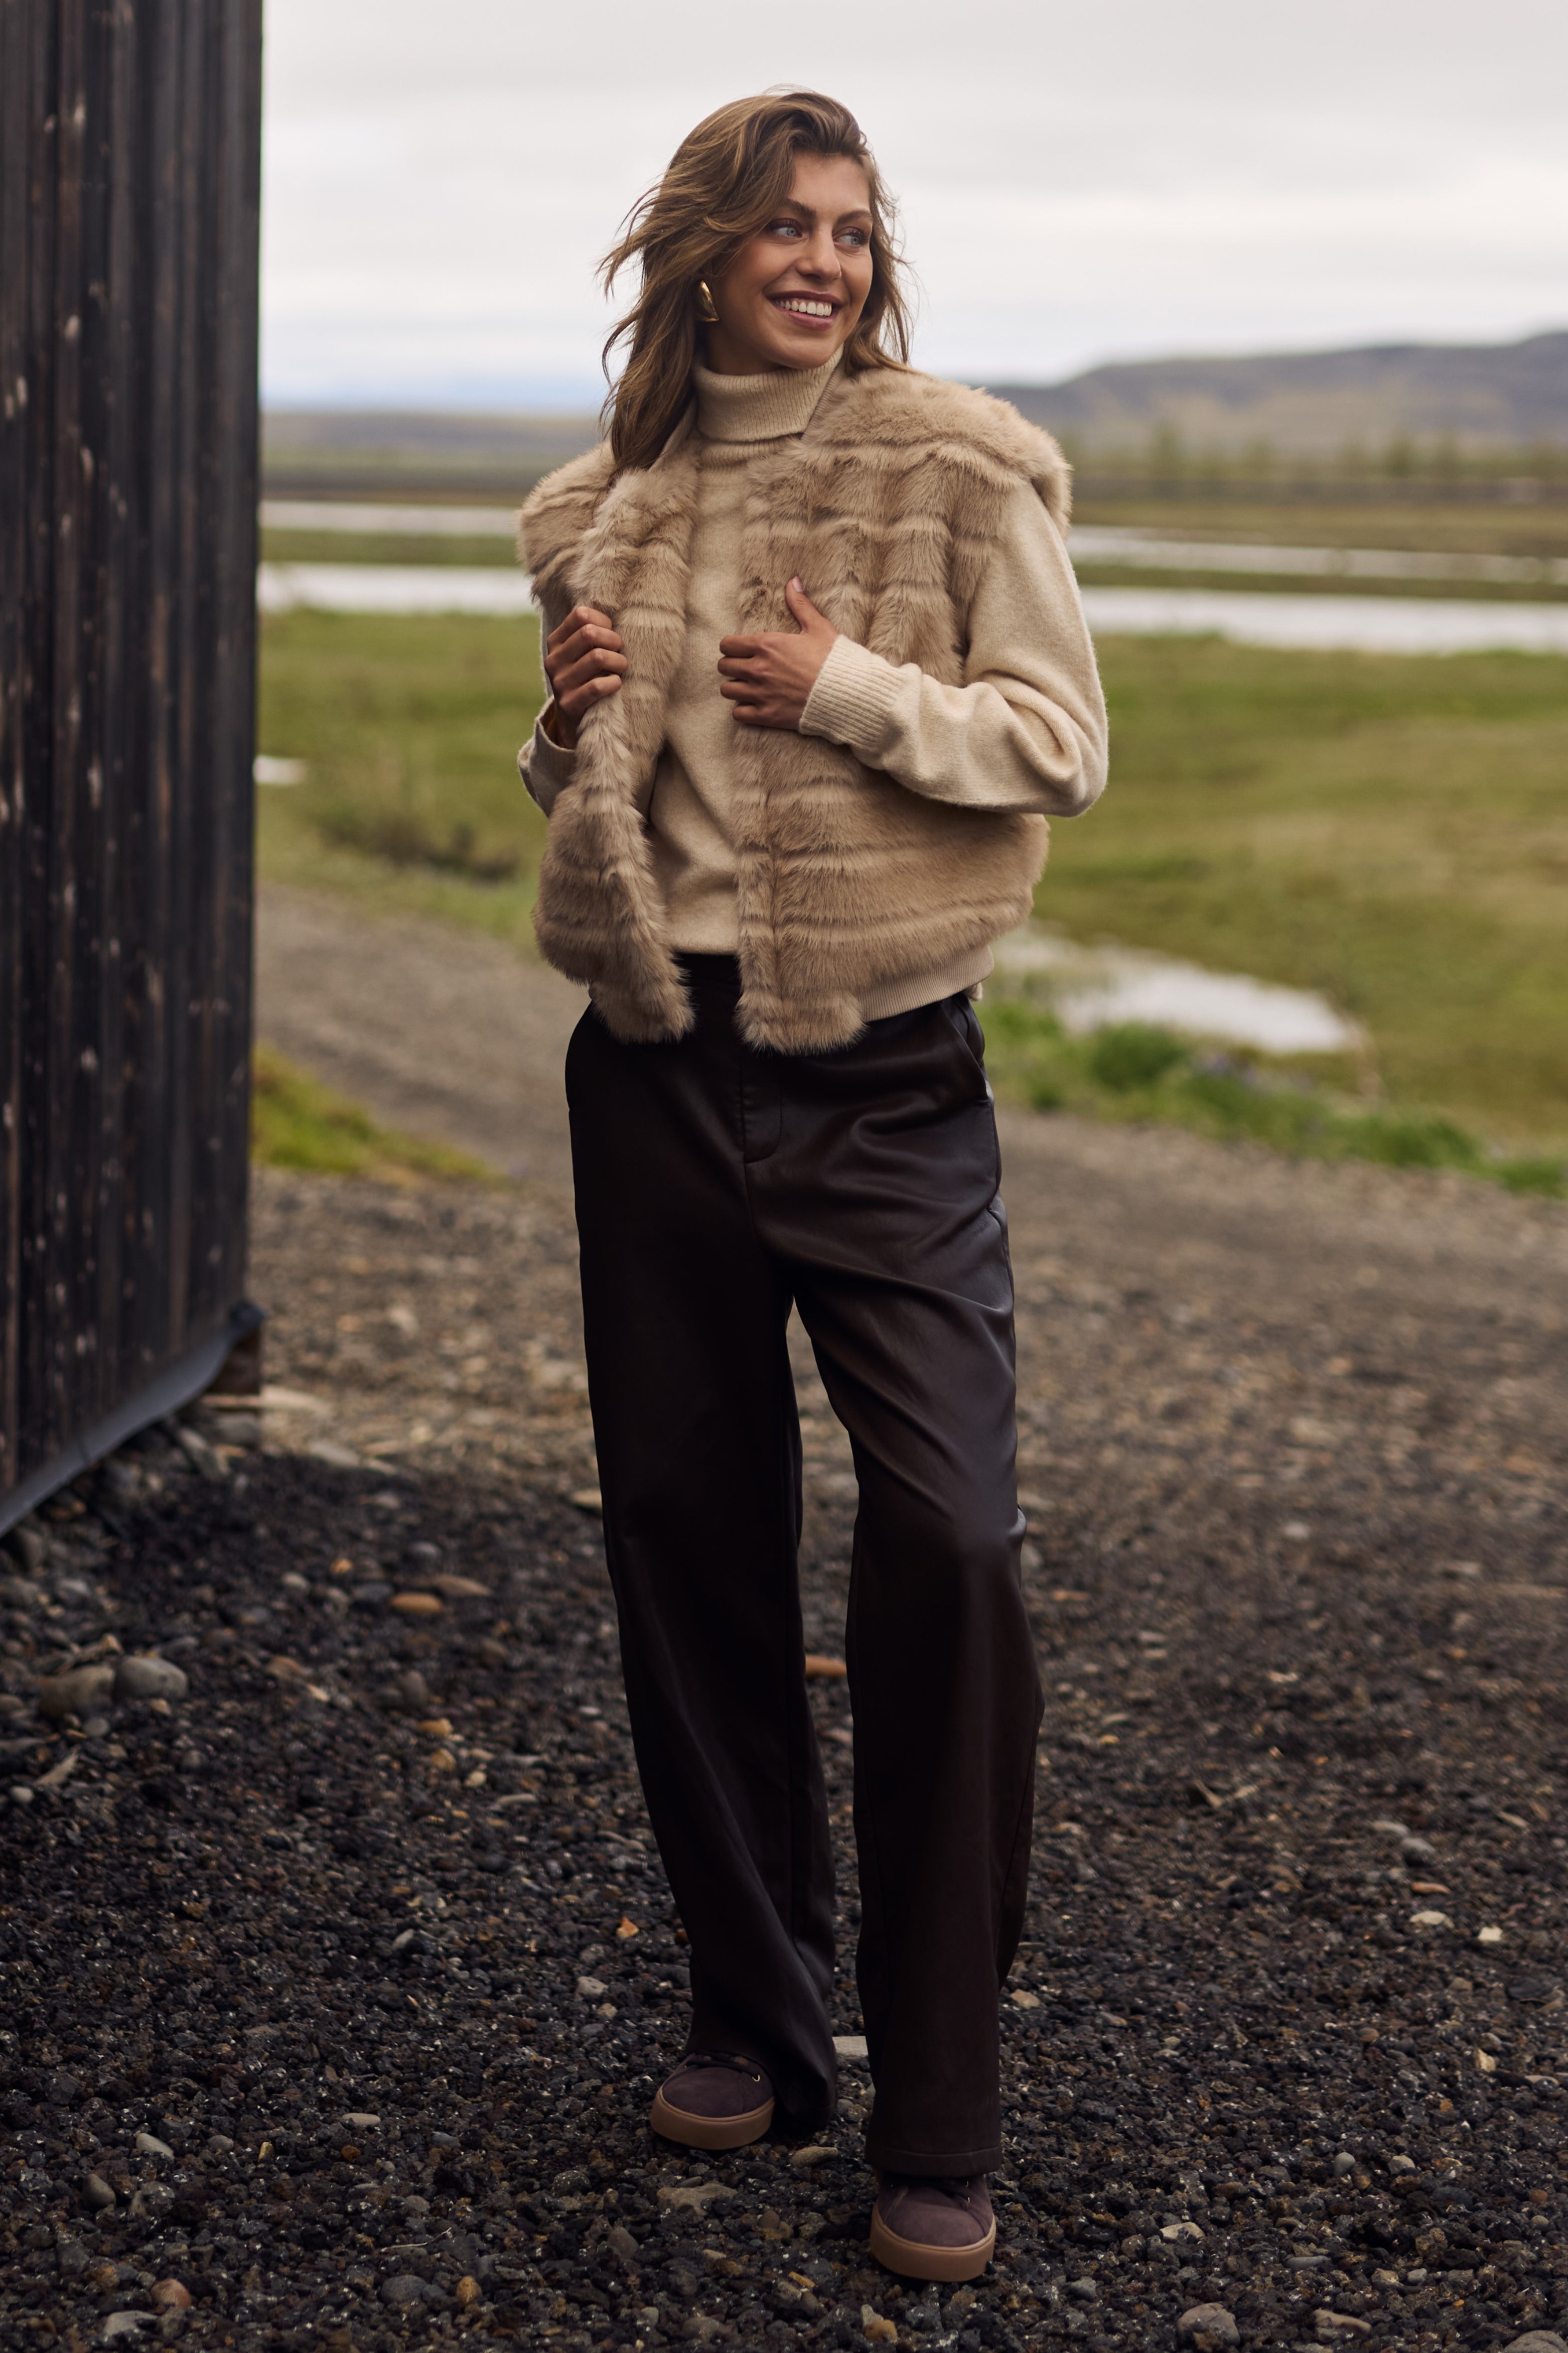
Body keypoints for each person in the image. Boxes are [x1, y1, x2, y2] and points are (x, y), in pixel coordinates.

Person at [516, 89, 1107, 2285]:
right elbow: (595, 796)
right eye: (786, 227)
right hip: (648, 1067)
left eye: (852, 230)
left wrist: (847, 687)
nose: (825, 262)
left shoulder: (958, 466)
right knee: (685, 1539)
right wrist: (562, 714)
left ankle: (939, 2111)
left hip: (886, 1082)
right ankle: (754, 2022)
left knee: (951, 1535)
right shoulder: (594, 503)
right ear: (700, 254)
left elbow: (1059, 741)